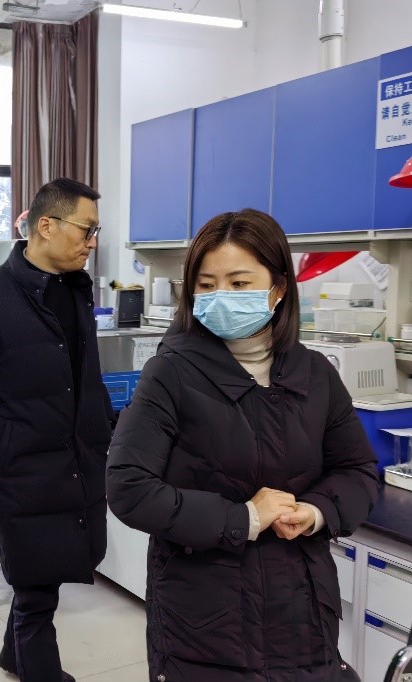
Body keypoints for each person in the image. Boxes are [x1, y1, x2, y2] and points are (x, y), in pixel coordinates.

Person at [105, 209, 377, 682]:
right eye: (206, 285)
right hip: (205, 625)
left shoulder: (316, 374)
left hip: (304, 615)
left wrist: (316, 511)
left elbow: (357, 470)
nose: (220, 297)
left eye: (238, 283)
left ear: (278, 287)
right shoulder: (171, 373)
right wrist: (244, 518)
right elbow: (128, 487)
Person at [0, 178, 114, 682]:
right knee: (35, 580)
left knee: (49, 573)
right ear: (46, 226)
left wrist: (106, 433)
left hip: (75, 457)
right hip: (18, 466)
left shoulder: (76, 291)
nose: (92, 241)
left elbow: (86, 376)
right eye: (86, 229)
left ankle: (12, 655)